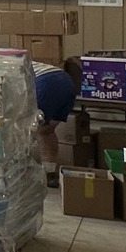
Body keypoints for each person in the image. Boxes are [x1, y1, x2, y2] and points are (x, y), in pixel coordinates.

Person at [32, 55, 82, 185]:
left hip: (44, 83)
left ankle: (17, 171)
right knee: (46, 131)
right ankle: (49, 173)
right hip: (65, 82)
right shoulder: (19, 61)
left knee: (20, 131)